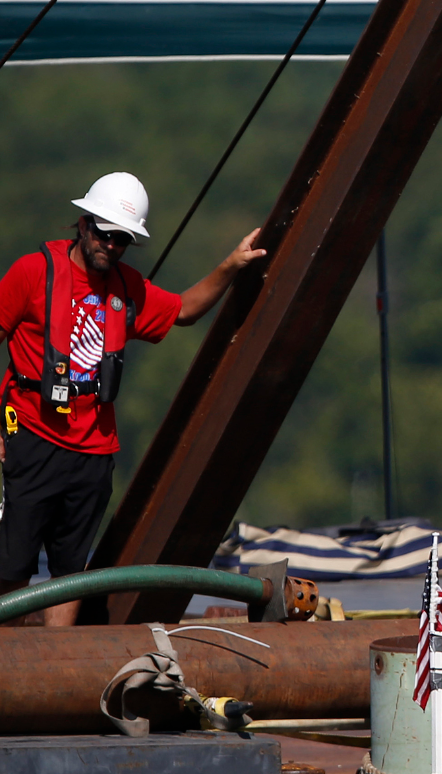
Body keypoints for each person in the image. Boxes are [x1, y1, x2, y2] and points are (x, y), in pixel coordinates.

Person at [0, 172, 265, 626]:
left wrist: (232, 265)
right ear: (83, 225)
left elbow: (183, 309)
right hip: (31, 436)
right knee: (11, 566)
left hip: (93, 453)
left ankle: (59, 674)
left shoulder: (127, 288)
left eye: (122, 238)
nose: (111, 244)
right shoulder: (33, 273)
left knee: (70, 572)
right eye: (104, 232)